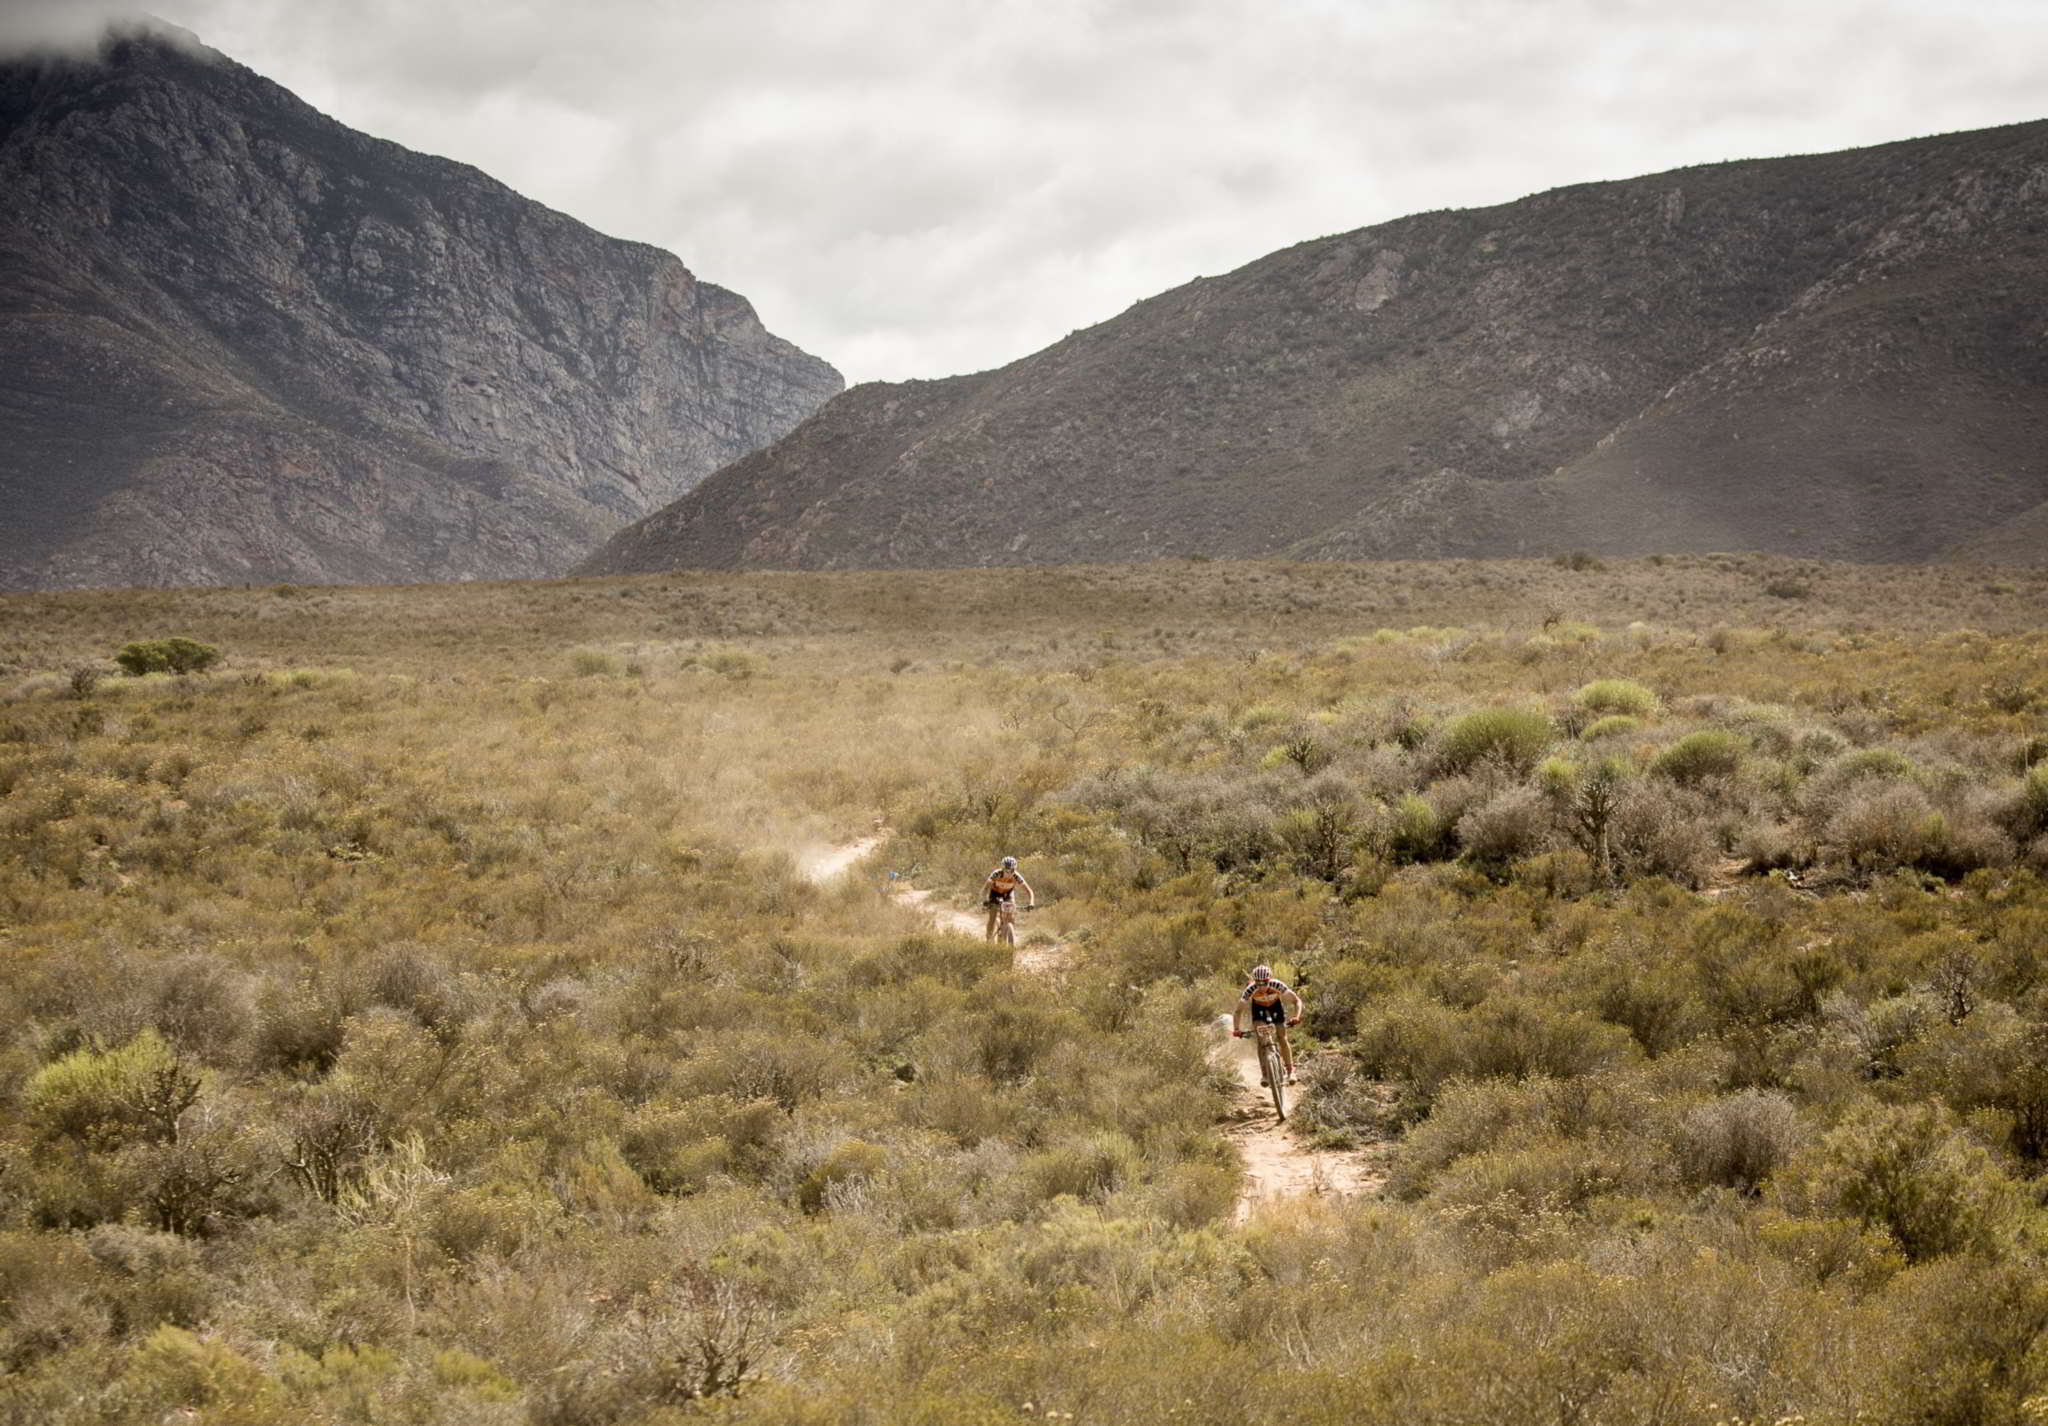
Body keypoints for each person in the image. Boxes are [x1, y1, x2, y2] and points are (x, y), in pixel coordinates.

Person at [1231, 965, 1303, 1085]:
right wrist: (1236, 1028)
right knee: (1261, 1041)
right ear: (1254, 981)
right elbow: (1238, 1011)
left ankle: (1291, 1071)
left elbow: (1297, 1001)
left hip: (1275, 1007)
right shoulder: (1250, 989)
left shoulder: (1277, 985)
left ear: (1269, 980)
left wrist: (1296, 1016)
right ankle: (1264, 1074)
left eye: (1264, 982)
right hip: (1259, 1009)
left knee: (1282, 1038)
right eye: (1258, 983)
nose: (1261, 986)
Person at [982, 855, 1035, 944]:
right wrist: (985, 900)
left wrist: (1031, 902)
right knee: (992, 916)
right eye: (1006, 870)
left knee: (1011, 917)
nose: (1009, 873)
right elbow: (985, 888)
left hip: (1008, 895)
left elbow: (1029, 891)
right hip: (995, 894)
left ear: (1015, 869)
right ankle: (989, 939)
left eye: (1011, 870)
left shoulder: (1017, 876)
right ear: (1002, 869)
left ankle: (1008, 933)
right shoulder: (996, 874)